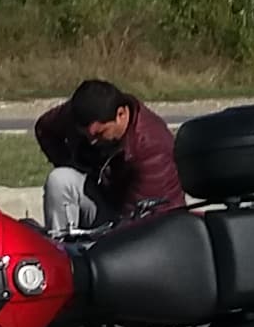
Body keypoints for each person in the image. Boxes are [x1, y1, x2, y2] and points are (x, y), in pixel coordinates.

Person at [35, 77, 185, 234]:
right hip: (105, 200)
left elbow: (141, 221)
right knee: (60, 180)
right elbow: (44, 128)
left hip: (151, 225)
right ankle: (61, 250)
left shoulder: (152, 148)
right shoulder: (81, 113)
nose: (91, 141)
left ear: (121, 114)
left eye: (99, 134)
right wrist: (71, 164)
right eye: (85, 135)